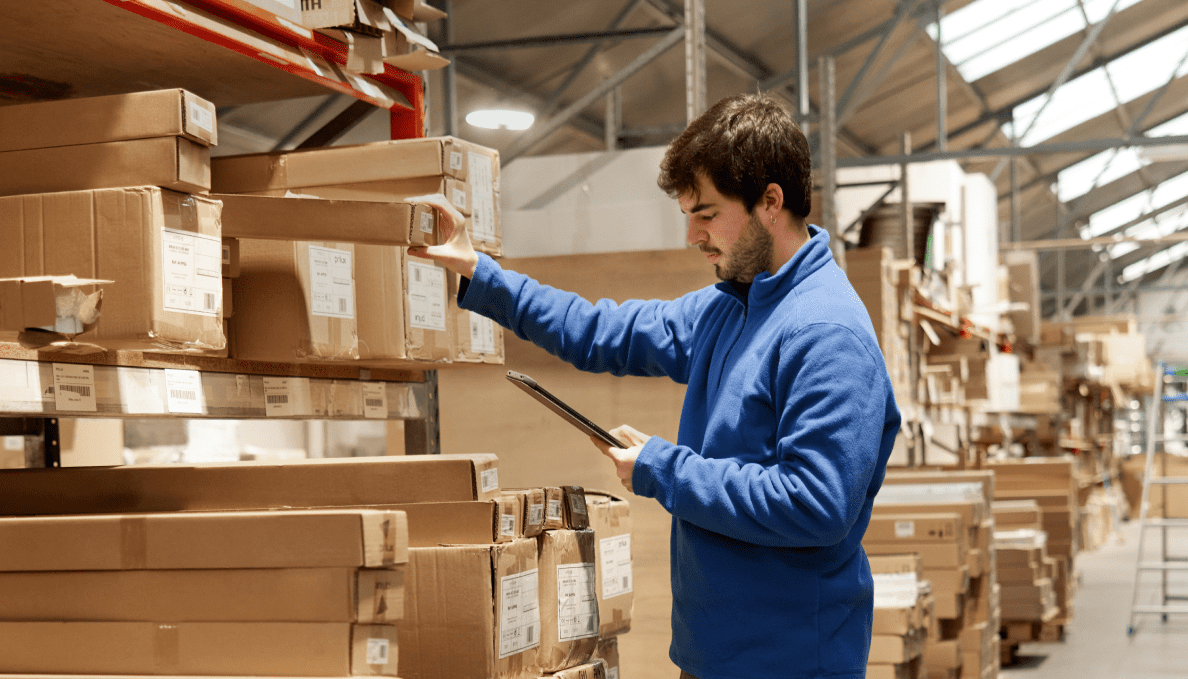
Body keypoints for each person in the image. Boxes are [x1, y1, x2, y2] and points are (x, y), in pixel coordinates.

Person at [410, 93, 900, 679]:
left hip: (790, 661)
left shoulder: (825, 333)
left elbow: (815, 504)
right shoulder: (730, 307)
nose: (693, 235)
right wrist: (479, 274)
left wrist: (665, 469)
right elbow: (603, 332)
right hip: (714, 653)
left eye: (708, 214)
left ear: (772, 201)